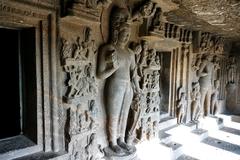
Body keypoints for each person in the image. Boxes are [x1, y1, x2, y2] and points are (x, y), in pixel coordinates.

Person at [97, 8, 139, 154]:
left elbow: (134, 74)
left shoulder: (130, 53)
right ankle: (113, 142)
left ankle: (121, 140)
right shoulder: (108, 49)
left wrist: (138, 90)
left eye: (128, 34)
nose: (127, 37)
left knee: (124, 114)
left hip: (128, 87)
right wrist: (113, 68)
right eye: (124, 34)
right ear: (116, 32)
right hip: (115, 85)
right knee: (114, 115)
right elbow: (100, 75)